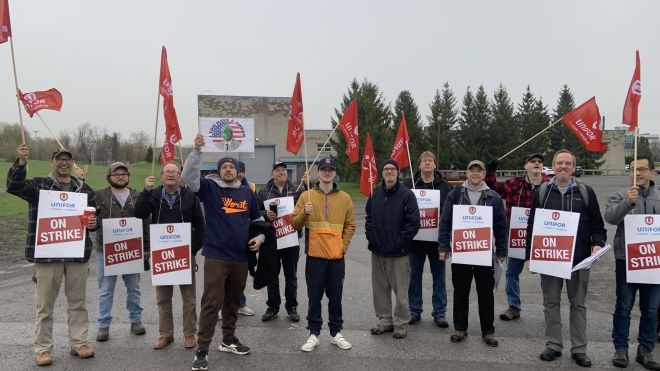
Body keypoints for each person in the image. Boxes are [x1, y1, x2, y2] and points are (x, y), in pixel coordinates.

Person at [7, 145, 97, 366]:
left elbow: (94, 219)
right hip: (48, 256)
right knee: (45, 305)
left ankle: (79, 343)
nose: (64, 163)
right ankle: (43, 349)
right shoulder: (39, 185)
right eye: (59, 159)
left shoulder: (83, 189)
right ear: (52, 162)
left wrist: (93, 224)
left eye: (68, 160)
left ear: (72, 163)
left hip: (77, 256)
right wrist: (20, 162)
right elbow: (14, 186)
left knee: (78, 303)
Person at [182, 134, 265, 371]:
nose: (228, 170)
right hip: (216, 256)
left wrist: (259, 238)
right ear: (219, 171)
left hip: (240, 258)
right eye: (224, 167)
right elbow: (188, 176)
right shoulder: (209, 188)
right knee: (211, 302)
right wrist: (197, 151)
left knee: (232, 302)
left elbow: (258, 219)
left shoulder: (247, 193)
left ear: (238, 171)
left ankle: (228, 340)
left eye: (232, 167)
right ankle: (202, 349)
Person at [525, 149, 607, 368]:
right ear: (553, 166)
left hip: (578, 261)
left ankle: (579, 349)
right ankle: (553, 344)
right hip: (550, 259)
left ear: (573, 167)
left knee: (578, 304)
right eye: (559, 163)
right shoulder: (542, 192)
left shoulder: (586, 192)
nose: (563, 166)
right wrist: (529, 256)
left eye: (567, 163)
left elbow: (598, 226)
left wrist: (597, 243)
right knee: (551, 302)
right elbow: (532, 226)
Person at [134, 162, 204, 350]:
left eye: (175, 172)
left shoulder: (190, 196)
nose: (171, 174)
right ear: (161, 176)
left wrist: (192, 250)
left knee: (189, 299)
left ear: (180, 176)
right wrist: (146, 191)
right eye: (167, 172)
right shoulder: (154, 195)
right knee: (163, 299)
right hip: (162, 256)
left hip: (184, 255)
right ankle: (166, 335)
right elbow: (139, 213)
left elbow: (201, 226)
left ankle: (189, 334)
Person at [438, 160, 507, 347]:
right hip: (462, 253)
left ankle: (488, 331)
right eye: (472, 170)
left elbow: (501, 226)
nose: (475, 173)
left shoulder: (493, 197)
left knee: (486, 294)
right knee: (461, 292)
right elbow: (445, 222)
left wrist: (501, 251)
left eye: (479, 170)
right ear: (466, 173)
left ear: (484, 174)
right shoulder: (455, 194)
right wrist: (443, 247)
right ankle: (460, 328)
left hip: (484, 254)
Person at [292, 157, 356, 352]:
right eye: (323, 169)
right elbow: (294, 224)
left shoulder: (345, 198)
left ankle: (336, 332)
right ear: (317, 173)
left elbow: (350, 225)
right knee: (314, 297)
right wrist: (304, 212)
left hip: (336, 258)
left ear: (335, 173)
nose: (327, 173)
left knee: (336, 297)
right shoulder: (307, 197)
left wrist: (342, 247)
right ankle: (314, 333)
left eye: (330, 169)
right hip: (315, 257)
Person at [604, 155, 660, 370]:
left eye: (643, 169)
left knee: (651, 310)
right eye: (634, 169)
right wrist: (627, 202)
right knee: (624, 307)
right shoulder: (619, 195)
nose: (637, 173)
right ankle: (621, 349)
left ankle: (645, 350)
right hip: (626, 261)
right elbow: (610, 218)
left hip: (653, 262)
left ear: (652, 172)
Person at [485, 153, 548, 321]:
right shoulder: (515, 184)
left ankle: (550, 309)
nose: (536, 163)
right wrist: (491, 171)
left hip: (542, 240)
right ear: (525, 166)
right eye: (532, 161)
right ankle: (514, 307)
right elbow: (492, 187)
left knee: (547, 278)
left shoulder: (549, 185)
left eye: (539, 162)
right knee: (512, 274)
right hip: (516, 239)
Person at [94, 162, 150, 342]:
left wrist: (146, 247)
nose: (120, 176)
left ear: (128, 176)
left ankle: (136, 320)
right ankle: (103, 324)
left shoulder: (137, 195)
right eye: (116, 173)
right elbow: (90, 215)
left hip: (133, 250)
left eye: (123, 173)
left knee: (134, 288)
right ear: (109, 176)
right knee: (105, 290)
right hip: (107, 250)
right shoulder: (99, 195)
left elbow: (146, 221)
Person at [367, 159, 420, 339]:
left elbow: (413, 224)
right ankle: (384, 320)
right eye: (386, 169)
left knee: (401, 290)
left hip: (399, 252)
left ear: (398, 173)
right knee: (380, 288)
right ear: (382, 173)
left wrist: (399, 242)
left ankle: (401, 323)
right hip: (378, 250)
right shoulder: (375, 194)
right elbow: (369, 218)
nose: (389, 172)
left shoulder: (407, 195)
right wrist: (371, 236)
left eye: (392, 169)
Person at [404, 151, 452, 327]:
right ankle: (414, 310)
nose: (427, 163)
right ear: (418, 165)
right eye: (424, 160)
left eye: (430, 160)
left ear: (434, 165)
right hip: (415, 241)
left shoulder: (445, 187)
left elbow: (451, 212)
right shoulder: (409, 185)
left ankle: (439, 312)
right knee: (413, 276)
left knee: (439, 277)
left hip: (437, 242)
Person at [257, 161, 303, 323]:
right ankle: (273, 307)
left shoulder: (298, 190)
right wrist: (264, 213)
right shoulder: (263, 192)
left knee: (291, 276)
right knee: (272, 275)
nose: (281, 172)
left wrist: (309, 185)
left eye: (283, 170)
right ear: (272, 174)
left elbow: (305, 208)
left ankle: (292, 307)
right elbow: (255, 213)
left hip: (290, 239)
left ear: (286, 172)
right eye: (278, 170)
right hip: (271, 241)